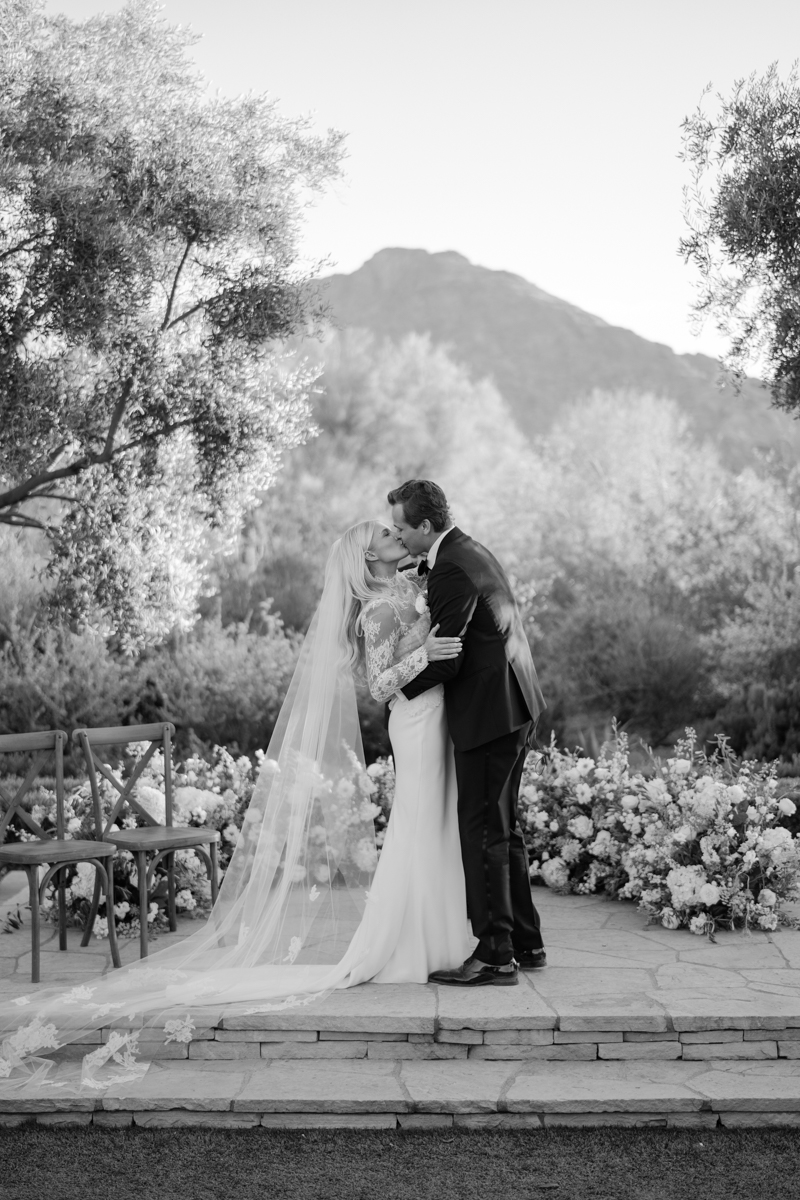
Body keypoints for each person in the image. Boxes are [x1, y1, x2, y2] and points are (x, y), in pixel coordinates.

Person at [0, 520, 476, 1089]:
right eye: (383, 532)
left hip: (438, 716)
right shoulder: (374, 614)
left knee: (437, 825)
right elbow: (378, 686)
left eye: (397, 528)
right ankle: (406, 945)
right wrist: (426, 652)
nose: (394, 533)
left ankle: (446, 934)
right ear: (366, 554)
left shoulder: (403, 588)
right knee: (419, 826)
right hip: (415, 721)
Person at [389, 479, 547, 986]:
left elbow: (449, 655)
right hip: (515, 702)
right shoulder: (466, 548)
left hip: (488, 714)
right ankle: (527, 939)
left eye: (402, 529)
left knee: (481, 833)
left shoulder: (450, 567)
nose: (400, 538)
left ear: (426, 526)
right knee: (504, 828)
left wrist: (396, 691)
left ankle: (495, 954)